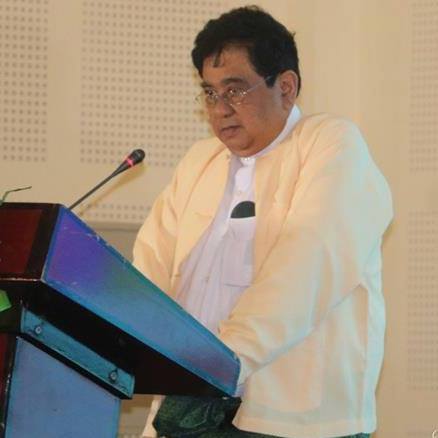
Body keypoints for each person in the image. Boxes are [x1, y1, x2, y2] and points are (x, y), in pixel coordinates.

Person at [133, 6, 392, 438]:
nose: (219, 109)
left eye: (235, 90)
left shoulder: (331, 144)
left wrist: (222, 361)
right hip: (189, 400)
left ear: (286, 87)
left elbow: (305, 268)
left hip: (291, 416)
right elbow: (149, 270)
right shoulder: (200, 161)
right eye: (210, 93)